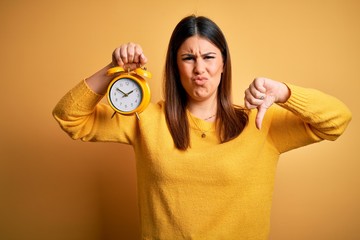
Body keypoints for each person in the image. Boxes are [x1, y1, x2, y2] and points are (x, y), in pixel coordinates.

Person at [53, 15, 352, 239]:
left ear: (223, 64)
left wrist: (284, 93)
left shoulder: (260, 122)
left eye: (209, 57)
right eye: (188, 58)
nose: (200, 69)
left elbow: (337, 120)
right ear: (175, 66)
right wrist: (113, 70)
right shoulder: (146, 120)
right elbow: (69, 117)